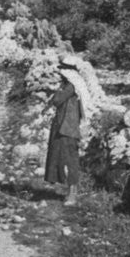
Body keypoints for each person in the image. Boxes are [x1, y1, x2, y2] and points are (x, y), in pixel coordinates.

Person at [43, 55, 86, 206]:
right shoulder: (71, 86)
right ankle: (69, 192)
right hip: (64, 127)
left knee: (70, 161)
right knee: (64, 159)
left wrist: (57, 92)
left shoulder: (70, 87)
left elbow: (56, 100)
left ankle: (72, 195)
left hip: (67, 129)